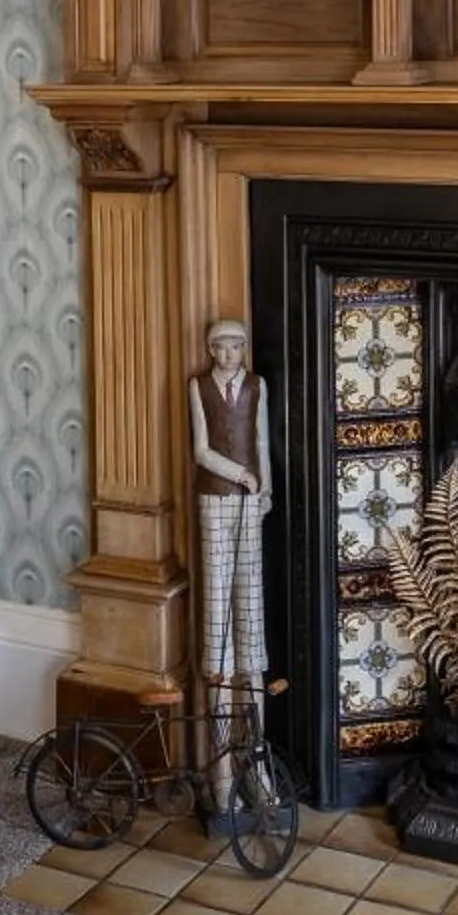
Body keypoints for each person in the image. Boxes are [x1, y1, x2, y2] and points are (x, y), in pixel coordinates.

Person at [190, 318, 270, 782]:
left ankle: (255, 765)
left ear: (244, 349)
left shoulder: (257, 387)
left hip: (249, 503)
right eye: (220, 347)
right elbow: (201, 451)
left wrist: (266, 493)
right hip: (215, 499)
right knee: (216, 607)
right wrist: (240, 476)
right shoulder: (198, 387)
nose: (227, 355)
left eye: (236, 347)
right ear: (210, 350)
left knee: (250, 608)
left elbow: (260, 440)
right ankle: (220, 773)